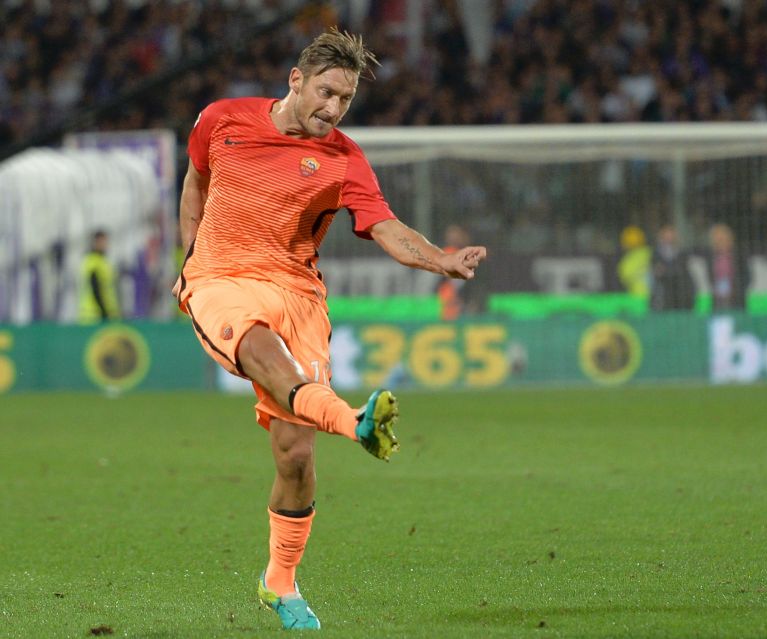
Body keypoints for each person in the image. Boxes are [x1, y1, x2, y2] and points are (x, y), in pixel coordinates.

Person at [174, 29, 487, 631]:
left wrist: (439, 258)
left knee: (294, 455)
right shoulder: (222, 120)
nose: (333, 108)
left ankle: (279, 582)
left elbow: (386, 226)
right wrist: (188, 261)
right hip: (220, 278)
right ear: (296, 80)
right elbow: (197, 182)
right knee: (263, 352)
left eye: (344, 99)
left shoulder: (344, 157)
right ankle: (356, 423)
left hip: (299, 293)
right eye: (325, 92)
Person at [704, 223, 750, 311]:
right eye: (717, 240)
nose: (720, 242)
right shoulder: (711, 257)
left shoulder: (739, 256)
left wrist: (737, 290)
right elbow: (710, 277)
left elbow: (747, 276)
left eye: (722, 239)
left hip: (736, 300)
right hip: (718, 300)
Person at [78, 229, 121, 323]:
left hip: (108, 314)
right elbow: (95, 288)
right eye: (102, 241)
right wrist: (104, 313)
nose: (105, 244)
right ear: (95, 242)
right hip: (94, 316)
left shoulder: (103, 261)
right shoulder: (92, 261)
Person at [649, 224, 695, 311]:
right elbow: (657, 272)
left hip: (681, 294)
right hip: (664, 295)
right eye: (666, 235)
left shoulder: (682, 253)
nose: (669, 238)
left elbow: (683, 271)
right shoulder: (656, 254)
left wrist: (667, 271)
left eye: (671, 235)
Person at [617, 225, 651, 297]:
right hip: (653, 294)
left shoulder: (628, 259)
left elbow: (624, 276)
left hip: (637, 295)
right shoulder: (649, 252)